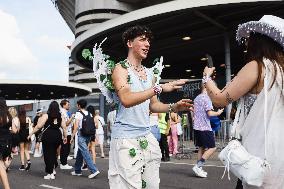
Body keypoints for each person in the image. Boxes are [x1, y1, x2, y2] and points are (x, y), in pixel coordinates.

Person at [203, 15, 284, 188]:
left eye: (251, 38)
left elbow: (219, 100)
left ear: (260, 40)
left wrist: (206, 79)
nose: (247, 42)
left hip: (256, 155)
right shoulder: (281, 72)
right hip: (279, 154)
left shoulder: (258, 66)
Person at [109, 25, 192, 188]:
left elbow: (153, 105)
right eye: (142, 39)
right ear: (129, 43)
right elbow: (126, 98)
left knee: (152, 186)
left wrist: (174, 107)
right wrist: (160, 87)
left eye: (148, 41)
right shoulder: (120, 69)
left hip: (147, 136)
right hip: (126, 140)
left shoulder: (150, 74)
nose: (147, 44)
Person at [28, 101, 67, 179]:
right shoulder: (60, 116)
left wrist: (31, 133)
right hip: (57, 136)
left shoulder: (46, 115)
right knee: (54, 153)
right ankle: (53, 169)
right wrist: (65, 137)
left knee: (48, 155)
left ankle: (50, 173)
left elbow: (38, 126)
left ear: (50, 107)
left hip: (48, 136)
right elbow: (64, 127)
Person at [192, 84, 223, 178]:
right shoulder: (207, 98)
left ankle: (199, 169)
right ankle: (198, 166)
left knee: (201, 147)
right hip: (205, 127)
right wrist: (218, 112)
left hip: (197, 127)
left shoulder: (197, 98)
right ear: (207, 87)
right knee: (212, 148)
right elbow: (209, 113)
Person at [70, 99, 100, 179]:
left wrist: (72, 136)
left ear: (79, 105)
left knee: (85, 152)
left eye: (77, 104)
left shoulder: (78, 114)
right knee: (81, 151)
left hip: (81, 134)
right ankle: (77, 170)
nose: (77, 106)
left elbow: (76, 126)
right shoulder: (89, 113)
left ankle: (94, 170)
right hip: (88, 135)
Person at [0, 98, 15, 189]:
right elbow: (14, 130)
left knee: (0, 165)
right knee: (1, 165)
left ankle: (7, 187)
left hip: (0, 142)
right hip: (8, 142)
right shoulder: (9, 115)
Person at [59, 99, 74, 170]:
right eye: (68, 104)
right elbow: (66, 123)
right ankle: (63, 163)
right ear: (64, 105)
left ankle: (64, 162)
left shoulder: (66, 112)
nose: (69, 106)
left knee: (67, 148)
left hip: (68, 133)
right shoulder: (62, 112)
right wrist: (72, 117)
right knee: (64, 148)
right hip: (64, 133)